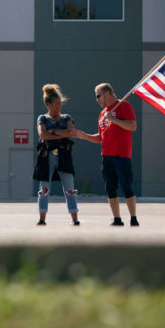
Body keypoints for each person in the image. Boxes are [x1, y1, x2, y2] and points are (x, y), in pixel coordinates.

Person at [80, 82, 138, 226]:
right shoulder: (102, 114)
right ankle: (117, 219)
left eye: (98, 96)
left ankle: (133, 217)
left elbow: (132, 126)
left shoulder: (124, 106)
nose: (97, 99)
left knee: (126, 186)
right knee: (110, 188)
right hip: (107, 156)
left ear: (107, 94)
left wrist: (113, 119)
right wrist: (84, 136)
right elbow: (101, 137)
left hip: (122, 156)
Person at [32, 84, 80, 226]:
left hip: (64, 156)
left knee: (70, 189)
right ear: (48, 104)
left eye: (60, 103)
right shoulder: (43, 118)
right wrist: (59, 133)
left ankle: (74, 218)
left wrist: (52, 131)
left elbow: (71, 132)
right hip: (47, 157)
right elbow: (42, 135)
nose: (59, 106)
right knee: (44, 190)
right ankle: (42, 218)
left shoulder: (66, 117)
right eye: (56, 104)